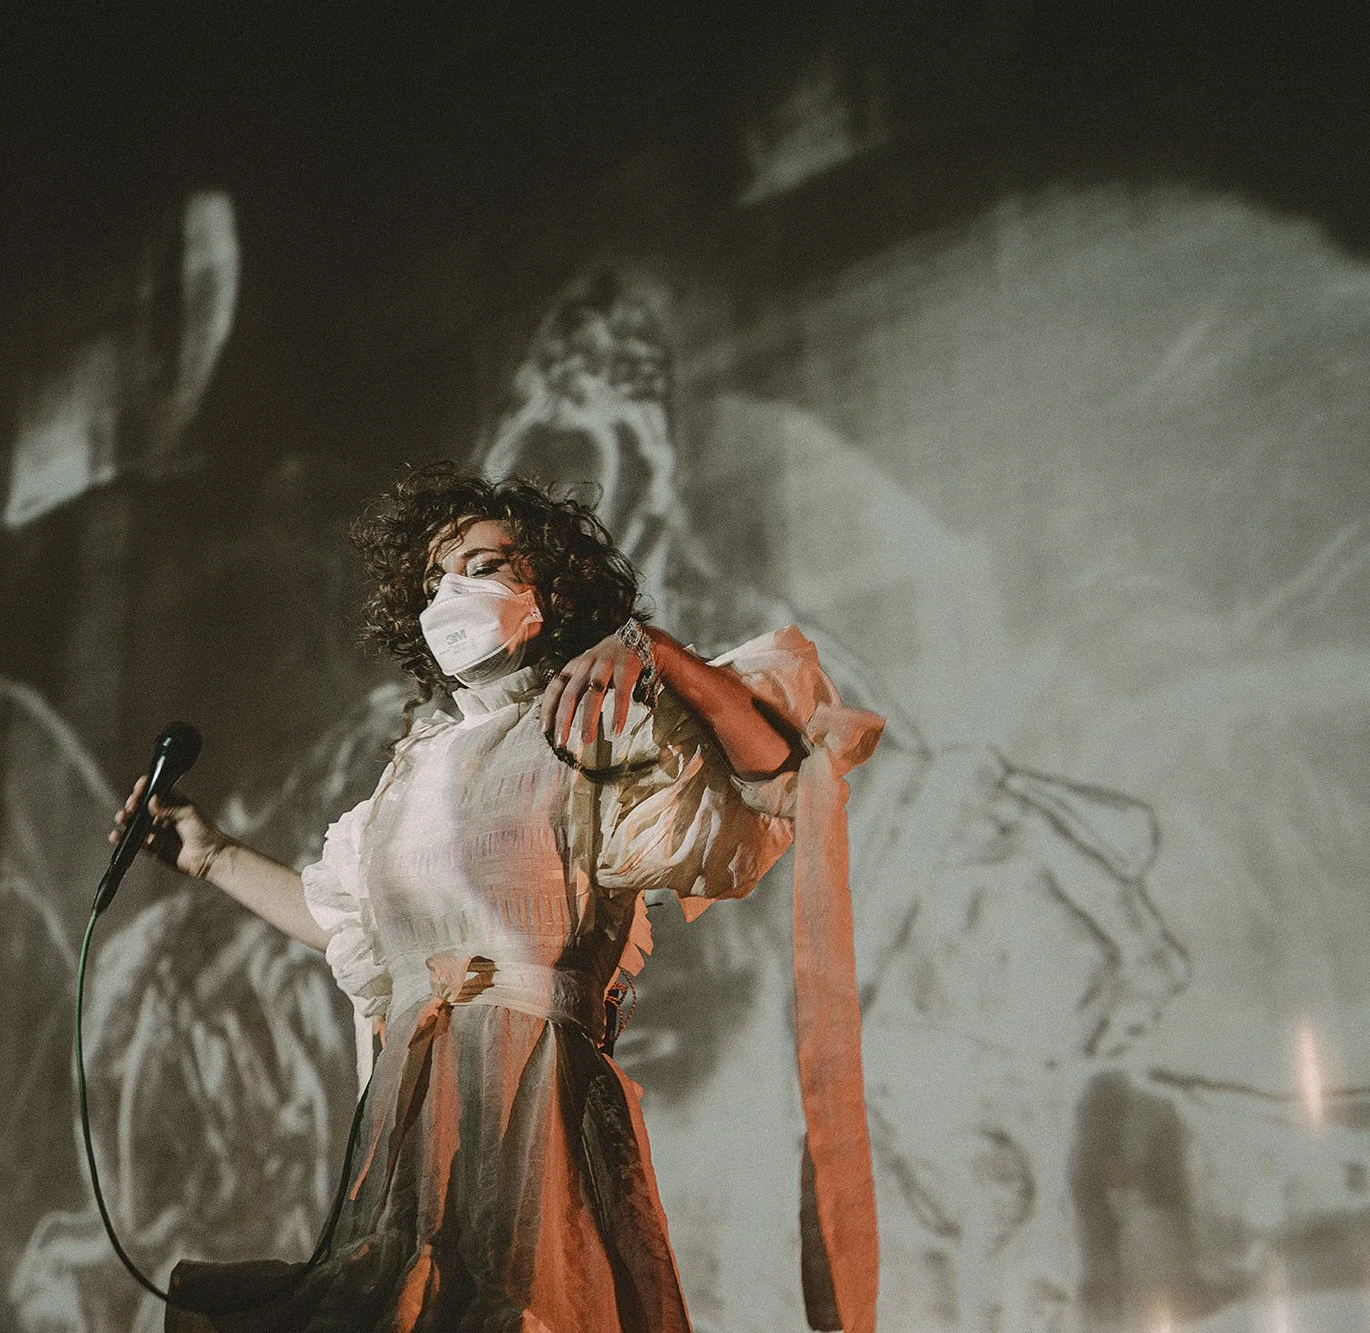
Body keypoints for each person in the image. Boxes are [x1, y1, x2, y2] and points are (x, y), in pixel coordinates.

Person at [111, 463, 885, 1333]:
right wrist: (213, 856)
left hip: (537, 1114)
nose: (452, 593)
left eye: (481, 567)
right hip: (413, 1138)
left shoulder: (591, 729)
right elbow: (353, 930)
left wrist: (658, 654)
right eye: (434, 581)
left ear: (550, 587)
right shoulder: (413, 771)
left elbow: (776, 776)